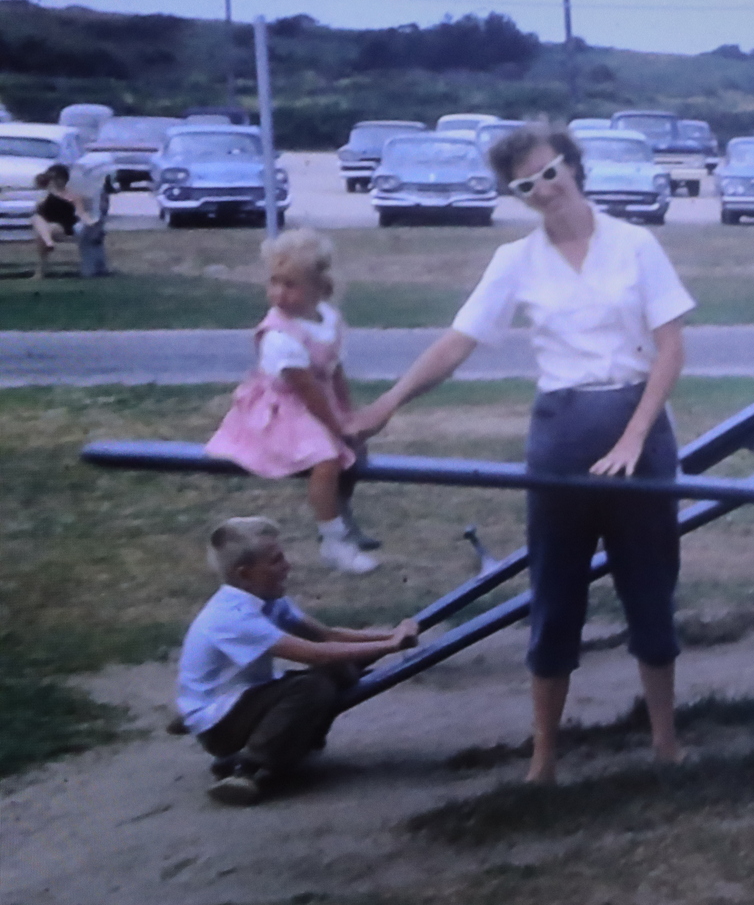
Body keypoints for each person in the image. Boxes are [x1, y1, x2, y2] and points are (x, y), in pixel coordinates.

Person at [351, 123, 696, 784]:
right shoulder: (516, 260)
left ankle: (665, 743)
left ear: (572, 165)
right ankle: (543, 759)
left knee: (650, 592)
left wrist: (631, 437)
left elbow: (671, 349)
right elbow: (458, 342)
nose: (543, 190)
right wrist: (385, 406)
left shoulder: (635, 244)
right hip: (560, 434)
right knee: (554, 594)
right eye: (525, 184)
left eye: (549, 172)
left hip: (640, 431)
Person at [177, 517, 419, 805]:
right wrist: (391, 645)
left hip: (238, 700)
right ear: (245, 574)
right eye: (275, 560)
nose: (287, 566)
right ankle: (247, 769)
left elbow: (326, 636)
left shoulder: (269, 599)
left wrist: (390, 636)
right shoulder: (233, 617)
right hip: (218, 725)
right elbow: (312, 653)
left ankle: (283, 748)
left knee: (333, 671)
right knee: (311, 688)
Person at [205, 230, 380, 574]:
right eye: (274, 283)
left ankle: (344, 518)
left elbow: (334, 371)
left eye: (291, 285)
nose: (278, 294)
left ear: (321, 289)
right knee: (327, 458)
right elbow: (306, 392)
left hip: (317, 399)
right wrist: (336, 426)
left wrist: (350, 415)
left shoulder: (328, 320)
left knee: (356, 451)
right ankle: (332, 541)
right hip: (284, 408)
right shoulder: (279, 336)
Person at [29, 164, 95, 279]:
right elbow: (37, 187)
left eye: (57, 178)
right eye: (53, 179)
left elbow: (80, 212)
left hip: (63, 227)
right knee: (37, 219)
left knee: (44, 230)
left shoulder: (73, 196)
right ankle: (49, 242)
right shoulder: (47, 194)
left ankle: (40, 271)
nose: (55, 181)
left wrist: (90, 222)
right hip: (46, 225)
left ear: (64, 179)